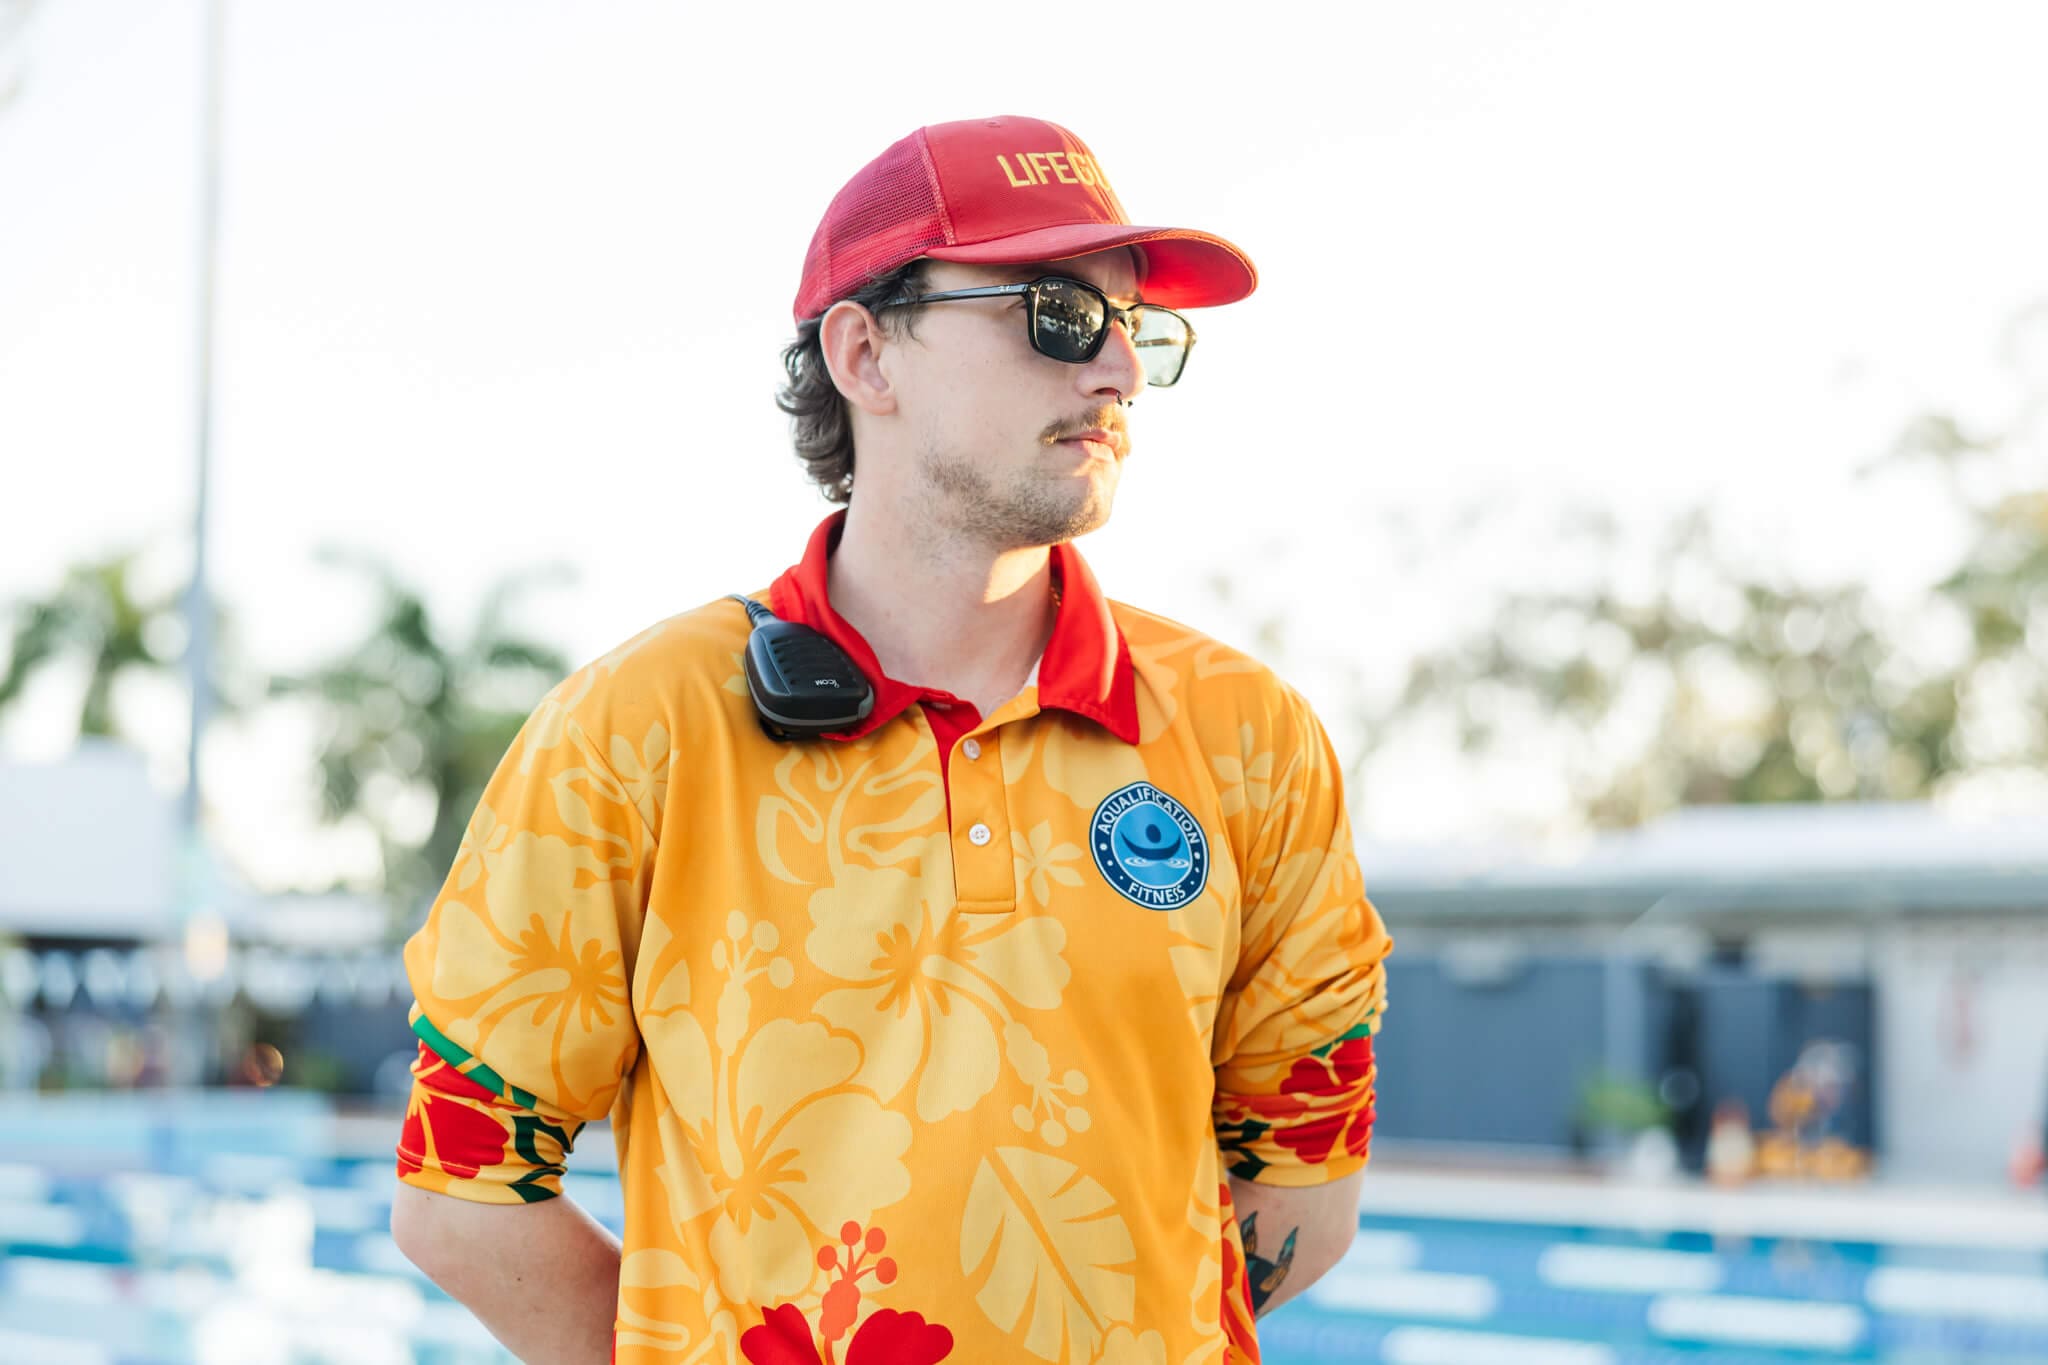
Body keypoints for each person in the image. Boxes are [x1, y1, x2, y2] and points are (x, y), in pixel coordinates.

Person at [388, 113, 1392, 1365]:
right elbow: (463, 1194)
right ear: (865, 353)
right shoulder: (638, 730)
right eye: (1057, 314)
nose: (1118, 372)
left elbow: (1304, 1178)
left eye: (1133, 328)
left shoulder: (1249, 738)